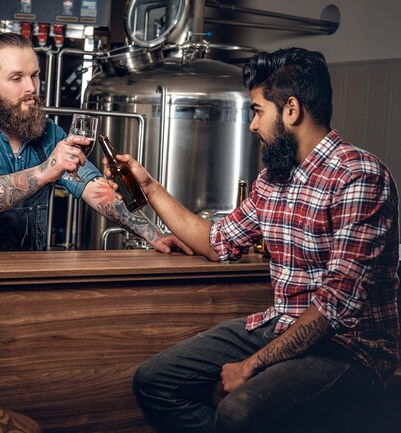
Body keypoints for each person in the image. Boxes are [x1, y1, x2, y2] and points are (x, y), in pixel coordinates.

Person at [108, 47, 399, 433]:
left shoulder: (359, 177)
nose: (251, 125)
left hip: (349, 351)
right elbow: (217, 242)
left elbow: (335, 307)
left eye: (258, 111)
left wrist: (251, 365)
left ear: (291, 110)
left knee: (237, 412)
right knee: (155, 381)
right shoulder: (273, 181)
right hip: (280, 324)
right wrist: (148, 186)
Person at [0, 33, 191, 253]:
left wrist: (155, 235)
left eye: (34, 76)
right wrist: (46, 171)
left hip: (27, 276)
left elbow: (95, 189)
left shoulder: (48, 134)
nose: (31, 88)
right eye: (16, 78)